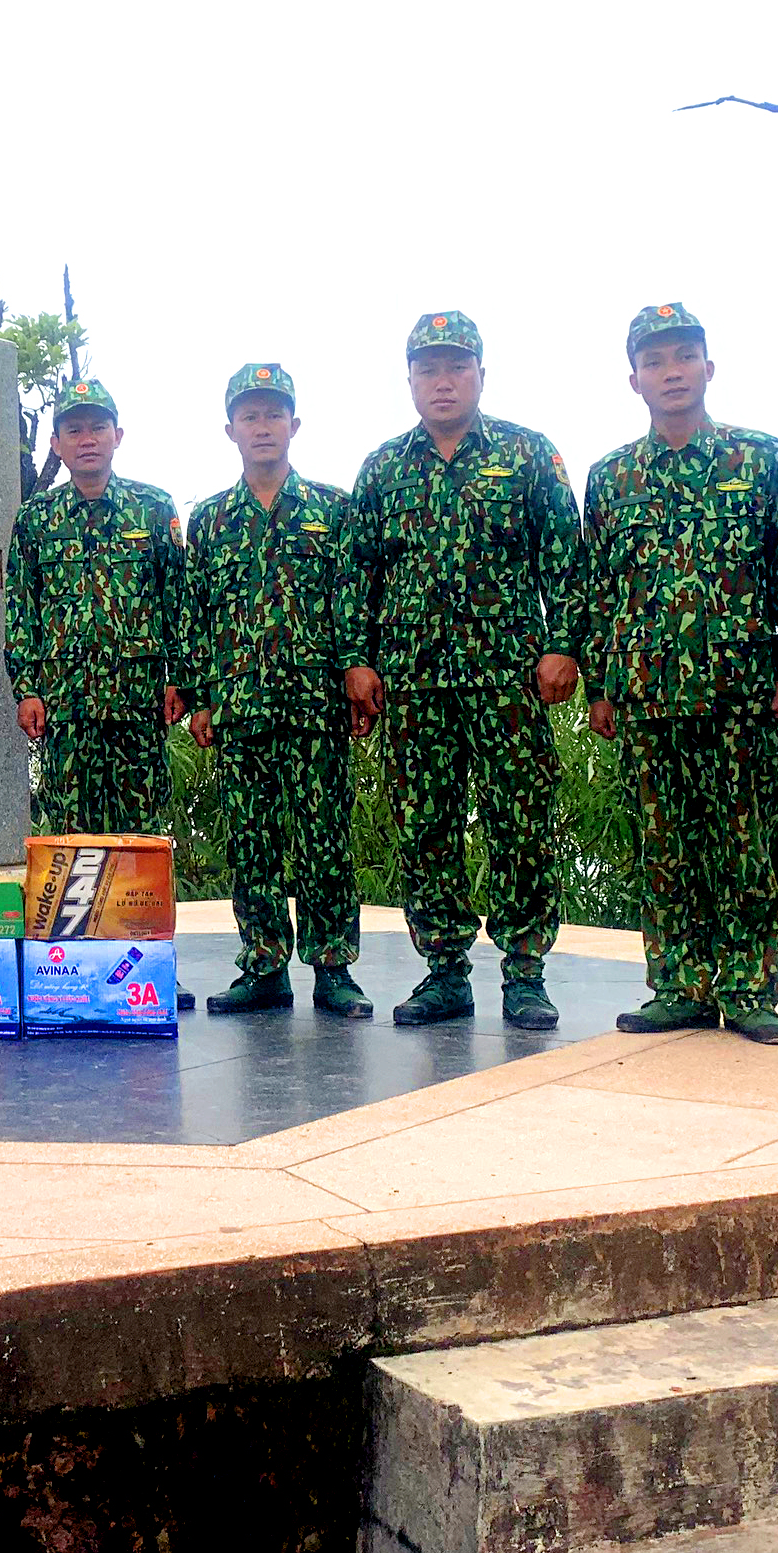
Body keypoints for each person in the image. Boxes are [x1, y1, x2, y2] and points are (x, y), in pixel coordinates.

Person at [339, 311, 583, 1029]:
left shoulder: (528, 453)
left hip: (506, 679)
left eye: (456, 367)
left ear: (481, 372)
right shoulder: (384, 468)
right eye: (428, 369)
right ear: (410, 379)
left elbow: (564, 560)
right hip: (414, 685)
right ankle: (445, 970)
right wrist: (358, 658)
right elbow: (359, 576)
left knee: (520, 823)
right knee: (427, 828)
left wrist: (563, 644)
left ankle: (527, 972)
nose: (442, 381)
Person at [575, 305, 778, 1046]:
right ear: (634, 378)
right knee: (663, 843)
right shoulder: (611, 477)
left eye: (683, 357)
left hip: (737, 687)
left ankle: (748, 988)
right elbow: (598, 588)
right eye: (655, 361)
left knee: (742, 839)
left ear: (709, 366)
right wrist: (601, 686)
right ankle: (678, 984)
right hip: (646, 692)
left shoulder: (759, 458)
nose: (671, 372)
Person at [182, 362, 369, 1018]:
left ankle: (334, 968)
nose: (262, 426)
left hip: (316, 705)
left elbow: (352, 603)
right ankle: (263, 965)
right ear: (230, 428)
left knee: (324, 840)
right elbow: (194, 616)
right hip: (241, 710)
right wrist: (201, 696)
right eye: (250, 415)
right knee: (252, 840)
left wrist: (355, 669)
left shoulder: (333, 510)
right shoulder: (208, 522)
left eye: (273, 414)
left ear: (295, 423)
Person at [4, 378, 195, 1007]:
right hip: (66, 711)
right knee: (70, 842)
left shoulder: (153, 508)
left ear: (118, 435)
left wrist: (180, 680)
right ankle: (71, 973)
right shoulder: (36, 520)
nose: (87, 440)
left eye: (98, 427)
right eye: (74, 429)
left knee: (140, 840)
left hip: (138, 707)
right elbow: (20, 610)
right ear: (57, 442)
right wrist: (27, 686)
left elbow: (181, 602)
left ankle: (149, 971)